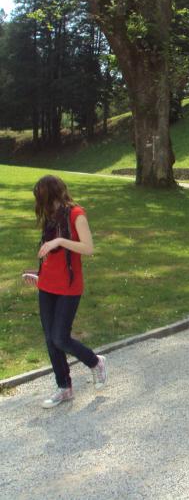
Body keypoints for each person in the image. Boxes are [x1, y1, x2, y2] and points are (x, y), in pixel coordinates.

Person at [25, 175, 107, 409]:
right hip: (47, 286)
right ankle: (64, 388)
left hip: (69, 287)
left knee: (60, 337)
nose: (41, 204)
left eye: (42, 197)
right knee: (50, 340)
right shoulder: (51, 218)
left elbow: (88, 248)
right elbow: (53, 258)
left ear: (52, 195)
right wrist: (39, 276)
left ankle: (95, 362)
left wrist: (59, 241)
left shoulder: (76, 214)